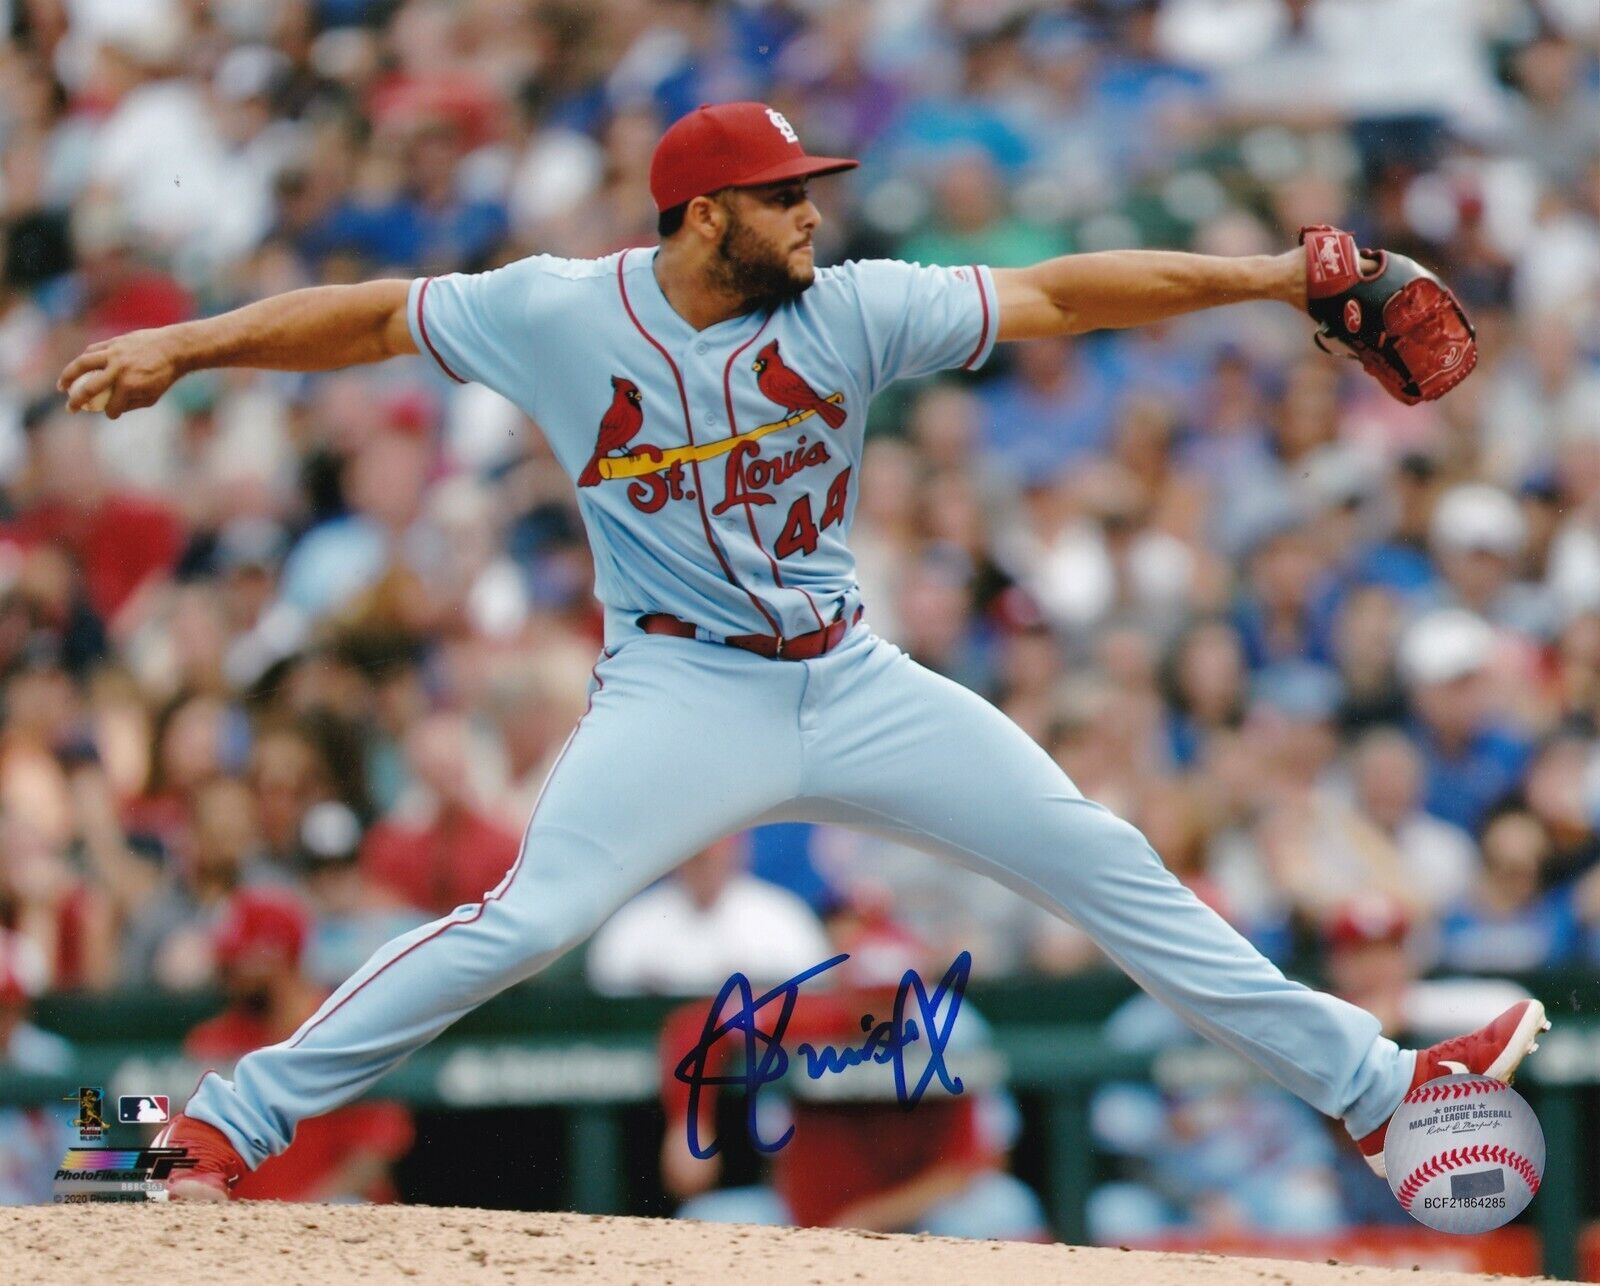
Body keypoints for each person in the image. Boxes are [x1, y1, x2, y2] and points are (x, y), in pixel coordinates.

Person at [58, 101, 1547, 1200]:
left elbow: (1064, 292)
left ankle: (1380, 1089)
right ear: (705, 219)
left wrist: (1277, 279)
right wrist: (189, 344)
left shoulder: (853, 310)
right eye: (784, 199)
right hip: (679, 683)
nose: (814, 218)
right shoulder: (560, 313)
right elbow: (369, 320)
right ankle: (219, 1125)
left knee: (1104, 857)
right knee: (522, 919)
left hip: (848, 675)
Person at [181, 889, 413, 1202]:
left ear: (277, 957)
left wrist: (298, 1223)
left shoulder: (345, 1030)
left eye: (237, 964)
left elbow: (372, 1154)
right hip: (237, 1233)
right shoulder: (212, 1039)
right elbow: (178, 1143)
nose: (228, 977)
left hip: (337, 1227)